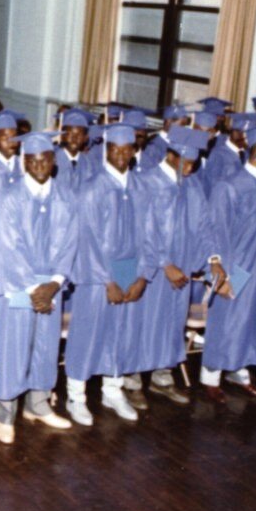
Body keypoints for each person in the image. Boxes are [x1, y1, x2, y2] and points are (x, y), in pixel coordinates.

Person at [0, 130, 78, 444]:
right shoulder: (10, 197)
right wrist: (33, 289)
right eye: (33, 160)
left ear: (54, 162)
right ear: (24, 162)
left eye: (45, 160)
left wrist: (54, 283)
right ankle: (6, 415)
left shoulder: (66, 197)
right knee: (14, 348)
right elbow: (8, 247)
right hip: (18, 286)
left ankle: (38, 405)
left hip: (52, 286)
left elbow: (70, 244)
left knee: (45, 347)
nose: (39, 166)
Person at [62, 124, 149, 426]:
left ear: (134, 151)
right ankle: (76, 396)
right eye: (115, 149)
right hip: (97, 275)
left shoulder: (140, 188)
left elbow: (151, 236)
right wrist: (106, 280)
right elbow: (87, 239)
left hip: (131, 270)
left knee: (122, 333)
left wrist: (143, 276)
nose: (121, 154)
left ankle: (113, 390)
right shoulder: (92, 189)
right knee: (88, 334)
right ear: (106, 151)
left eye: (127, 149)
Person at [201, 124, 256, 402]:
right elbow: (215, 231)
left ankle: (239, 371)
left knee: (252, 321)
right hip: (237, 268)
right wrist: (221, 275)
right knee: (229, 320)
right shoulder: (230, 186)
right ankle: (210, 376)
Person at [132, 126, 212, 404]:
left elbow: (203, 226)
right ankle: (132, 381)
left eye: (193, 164)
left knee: (172, 324)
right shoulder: (146, 182)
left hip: (183, 269)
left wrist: (207, 261)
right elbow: (143, 231)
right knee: (144, 322)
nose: (189, 170)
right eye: (185, 163)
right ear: (170, 156)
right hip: (152, 271)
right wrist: (164, 263)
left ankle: (162, 377)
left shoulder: (192, 186)